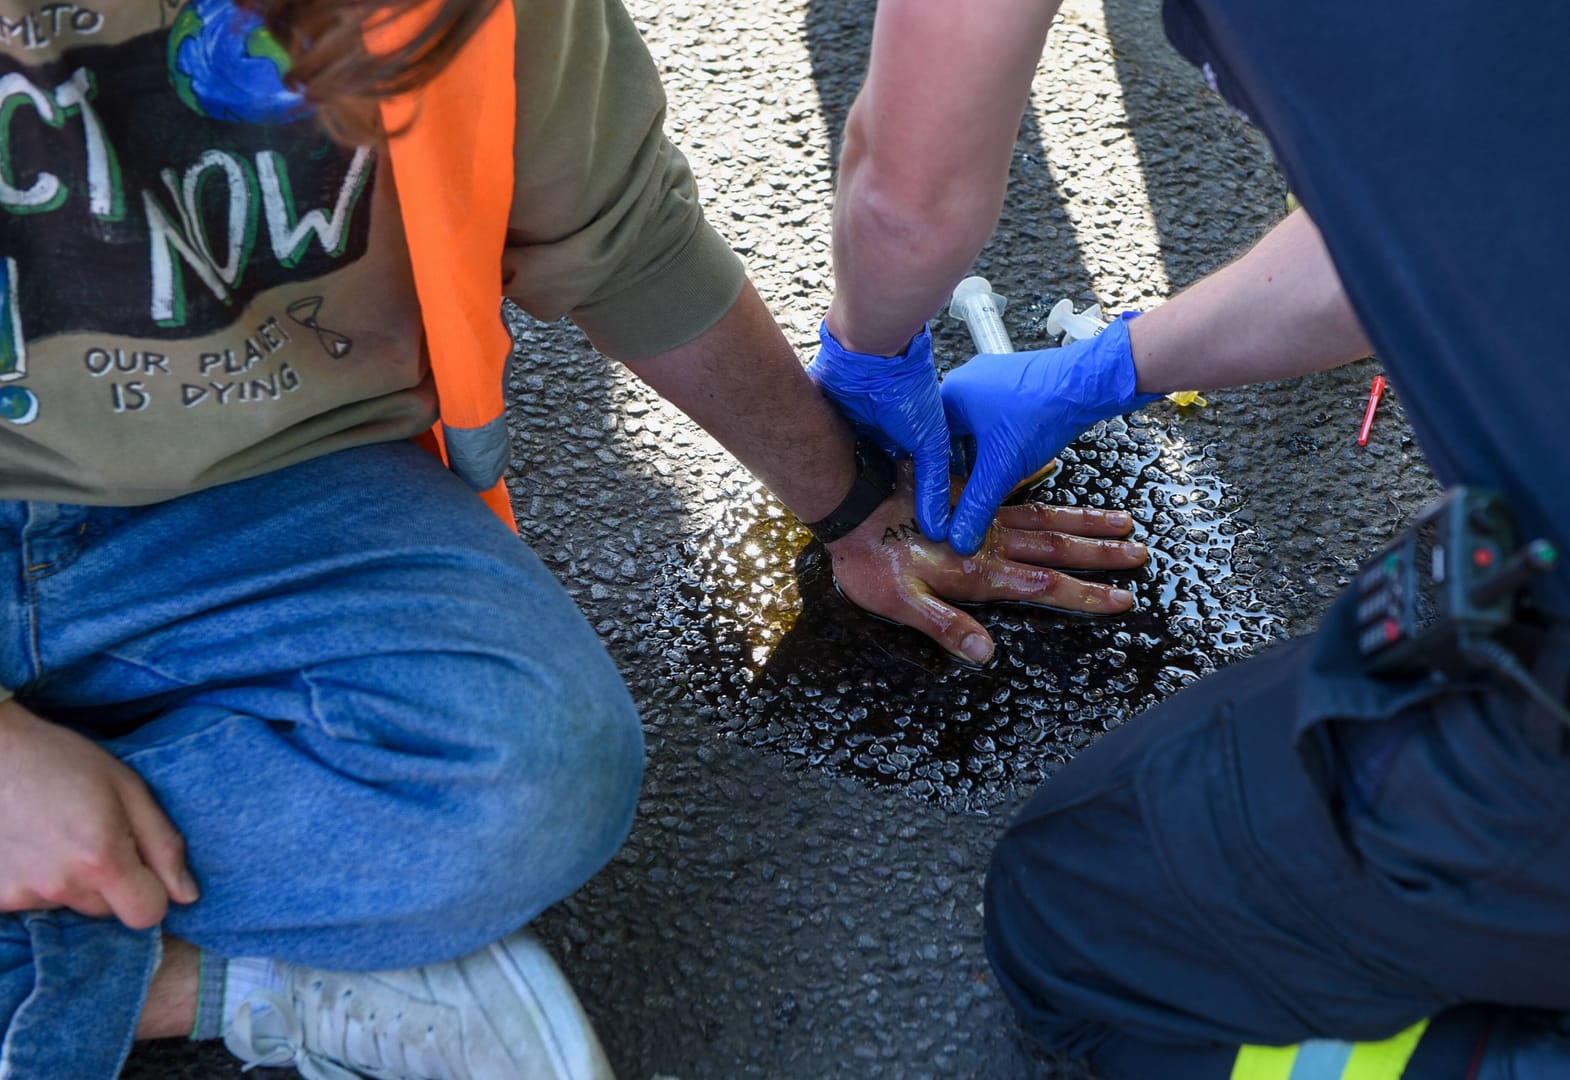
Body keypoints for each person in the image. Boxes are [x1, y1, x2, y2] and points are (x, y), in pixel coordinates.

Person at [0, 0, 1152, 1075]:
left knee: (531, 773)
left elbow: (624, 236)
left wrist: (852, 503)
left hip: (269, 486)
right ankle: (187, 984)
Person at [818, 0, 1570, 1076]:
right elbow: (1441, 204)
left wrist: (867, 369)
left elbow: (905, 202)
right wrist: (1114, 366)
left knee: (1081, 922)